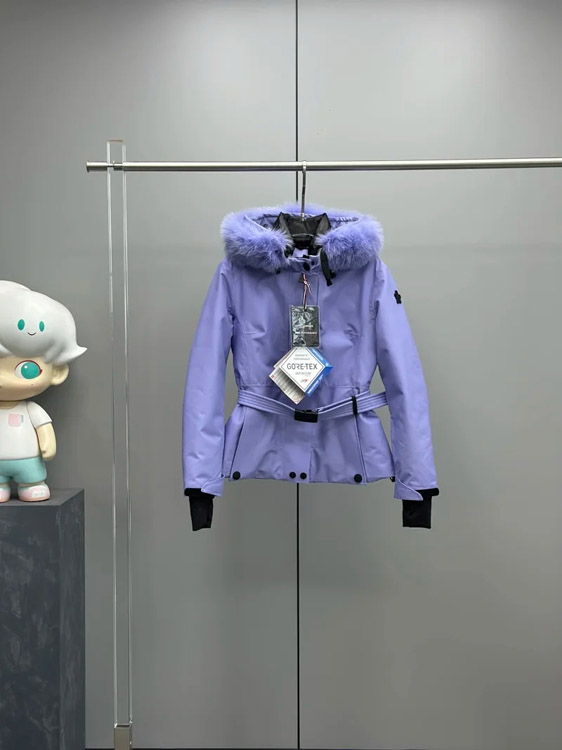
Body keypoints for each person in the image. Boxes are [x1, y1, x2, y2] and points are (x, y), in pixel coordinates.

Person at [0, 281, 86, 501]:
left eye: (26, 369)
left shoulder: (31, 409)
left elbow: (43, 427)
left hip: (28, 460)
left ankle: (32, 484)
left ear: (57, 372)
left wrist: (47, 443)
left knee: (32, 477)